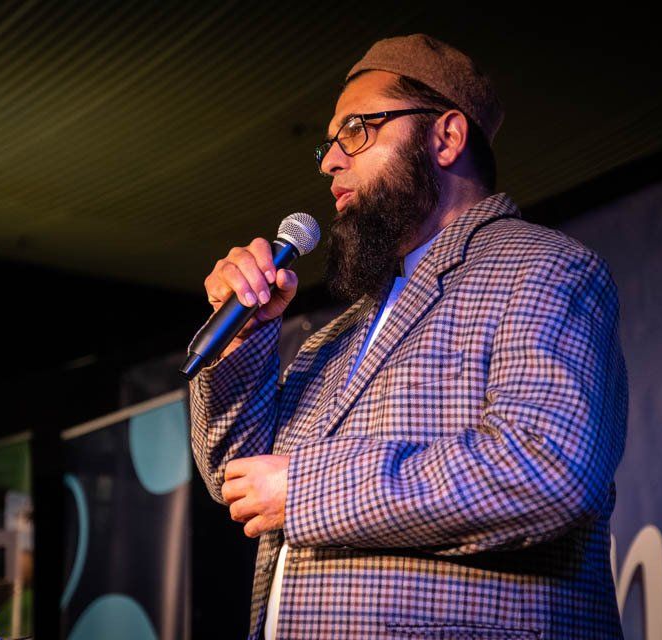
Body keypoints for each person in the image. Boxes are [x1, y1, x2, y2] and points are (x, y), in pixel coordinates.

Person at [189, 34, 627, 639]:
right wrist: (245, 337)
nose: (329, 161)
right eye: (328, 142)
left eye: (356, 130)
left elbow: (548, 469)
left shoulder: (543, 268)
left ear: (445, 137)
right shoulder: (337, 335)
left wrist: (308, 489)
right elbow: (236, 480)